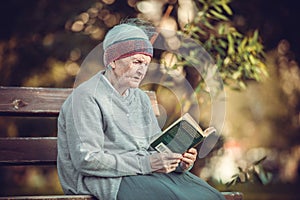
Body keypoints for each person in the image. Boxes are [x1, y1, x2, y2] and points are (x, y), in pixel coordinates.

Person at [57, 18, 225, 200]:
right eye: (137, 62)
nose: (142, 70)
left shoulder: (141, 99)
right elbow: (87, 160)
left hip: (141, 175)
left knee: (211, 195)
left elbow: (154, 150)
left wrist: (178, 162)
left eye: (146, 64)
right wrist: (147, 163)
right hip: (102, 181)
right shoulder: (86, 97)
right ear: (113, 60)